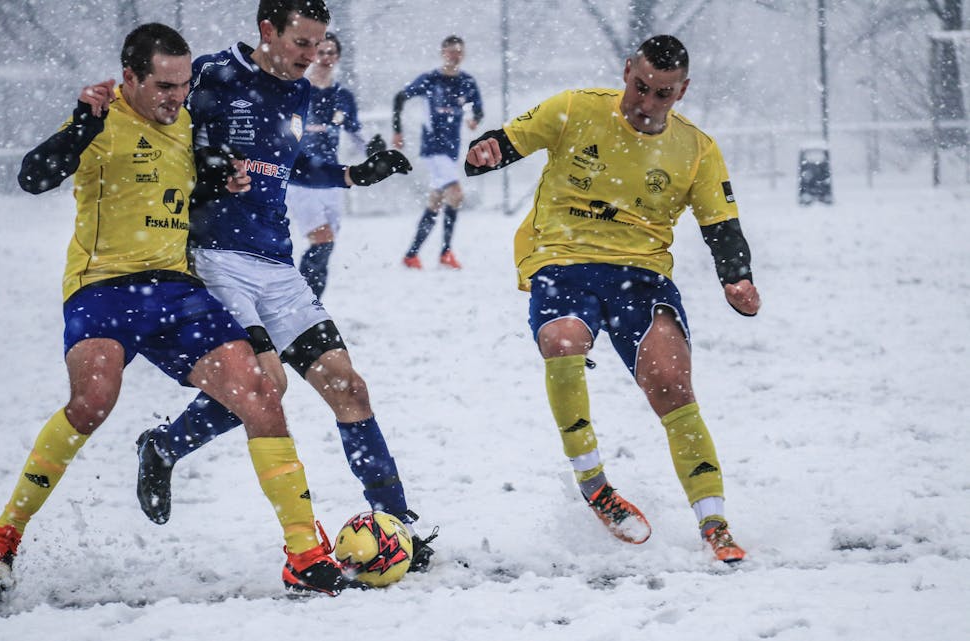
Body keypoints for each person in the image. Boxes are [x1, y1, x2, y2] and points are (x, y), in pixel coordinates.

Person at [0, 23, 347, 602]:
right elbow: (33, 177)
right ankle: (2, 537)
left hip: (176, 290)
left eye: (183, 86)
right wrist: (82, 123)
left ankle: (304, 553)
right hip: (103, 288)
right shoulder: (99, 120)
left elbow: (202, 169)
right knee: (93, 401)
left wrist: (224, 173)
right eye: (162, 86)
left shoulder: (184, 121)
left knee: (259, 390)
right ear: (128, 77)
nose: (175, 98)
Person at [133, 0, 437, 572]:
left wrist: (352, 174)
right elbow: (158, 131)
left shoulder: (299, 92)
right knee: (267, 385)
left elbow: (288, 165)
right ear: (267, 30)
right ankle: (168, 449)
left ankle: (401, 527)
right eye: (302, 42)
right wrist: (210, 161)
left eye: (321, 43)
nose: (313, 55)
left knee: (349, 388)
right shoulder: (211, 73)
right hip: (215, 258)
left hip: (278, 265)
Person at [463, 35, 761, 563]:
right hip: (563, 258)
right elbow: (507, 141)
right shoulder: (575, 109)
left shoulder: (696, 148)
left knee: (672, 386)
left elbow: (723, 226)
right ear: (626, 71)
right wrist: (485, 151)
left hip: (642, 275)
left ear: (682, 91)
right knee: (562, 341)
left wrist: (736, 276)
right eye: (640, 87)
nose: (646, 104)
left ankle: (714, 523)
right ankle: (594, 484)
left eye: (662, 95)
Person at [285, 32, 385, 299]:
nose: (326, 58)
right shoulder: (297, 90)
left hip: (332, 177)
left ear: (338, 57)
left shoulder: (343, 96)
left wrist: (373, 150)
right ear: (312, 54)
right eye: (321, 51)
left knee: (327, 246)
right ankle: (301, 303)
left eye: (331, 53)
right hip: (301, 178)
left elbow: (355, 132)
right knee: (322, 238)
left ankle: (311, 306)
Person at [393, 35, 483, 270]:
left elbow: (478, 109)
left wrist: (475, 119)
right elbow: (400, 98)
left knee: (436, 202)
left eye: (459, 52)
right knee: (456, 194)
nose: (455, 55)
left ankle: (411, 255)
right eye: (451, 51)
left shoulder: (466, 82)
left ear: (464, 54)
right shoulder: (430, 79)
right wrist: (397, 131)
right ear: (443, 52)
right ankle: (445, 252)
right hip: (433, 148)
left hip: (451, 151)